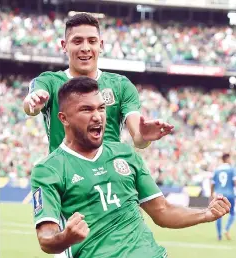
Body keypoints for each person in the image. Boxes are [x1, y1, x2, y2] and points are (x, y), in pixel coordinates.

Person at [31, 77, 231, 258]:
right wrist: (66, 237)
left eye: (101, 108)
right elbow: (46, 238)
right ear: (63, 118)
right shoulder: (49, 169)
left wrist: (206, 214)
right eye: (86, 109)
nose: (97, 116)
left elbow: (162, 211)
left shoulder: (125, 153)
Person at [23, 12, 173, 154]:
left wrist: (145, 136)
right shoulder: (49, 81)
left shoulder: (121, 86)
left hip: (107, 178)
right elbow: (31, 106)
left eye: (92, 41)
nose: (85, 48)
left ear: (100, 45)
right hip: (64, 178)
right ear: (64, 45)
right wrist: (34, 102)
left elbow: (138, 138)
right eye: (77, 41)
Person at [211, 153, 236, 241]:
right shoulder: (231, 169)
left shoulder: (217, 170)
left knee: (218, 215)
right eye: (230, 159)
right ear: (227, 159)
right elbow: (234, 181)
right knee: (233, 213)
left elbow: (212, 184)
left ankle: (219, 235)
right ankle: (226, 229)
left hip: (219, 195)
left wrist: (211, 195)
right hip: (230, 194)